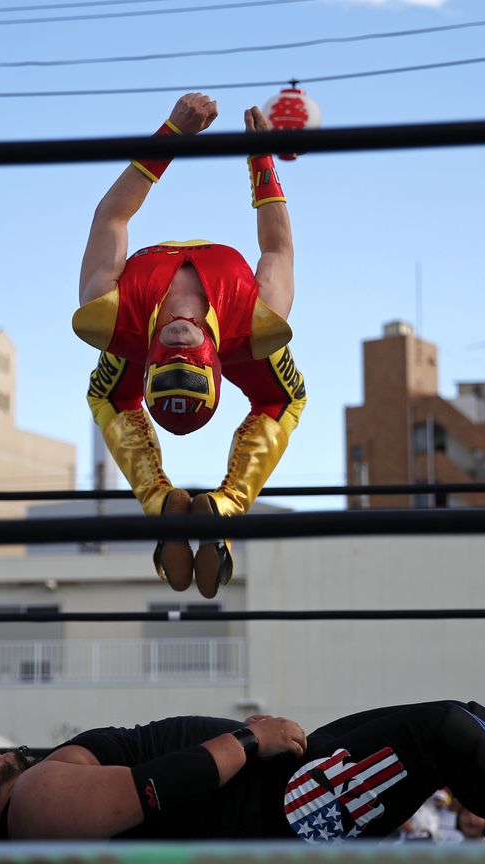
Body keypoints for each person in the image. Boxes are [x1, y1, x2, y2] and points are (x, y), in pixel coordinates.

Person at [74, 92, 305, 598]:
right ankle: (226, 508)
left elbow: (111, 215)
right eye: (190, 370)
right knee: (287, 397)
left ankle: (160, 501)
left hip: (134, 329)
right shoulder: (260, 318)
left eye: (169, 369)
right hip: (241, 334)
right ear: (214, 368)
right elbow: (277, 247)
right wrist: (260, 156)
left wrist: (172, 133)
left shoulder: (111, 313)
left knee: (105, 394)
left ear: (151, 365)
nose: (180, 345)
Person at [0, 700, 485, 843]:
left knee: (457, 726)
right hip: (282, 806)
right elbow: (151, 791)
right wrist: (248, 739)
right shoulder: (31, 806)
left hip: (284, 796)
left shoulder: (33, 788)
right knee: (448, 730)